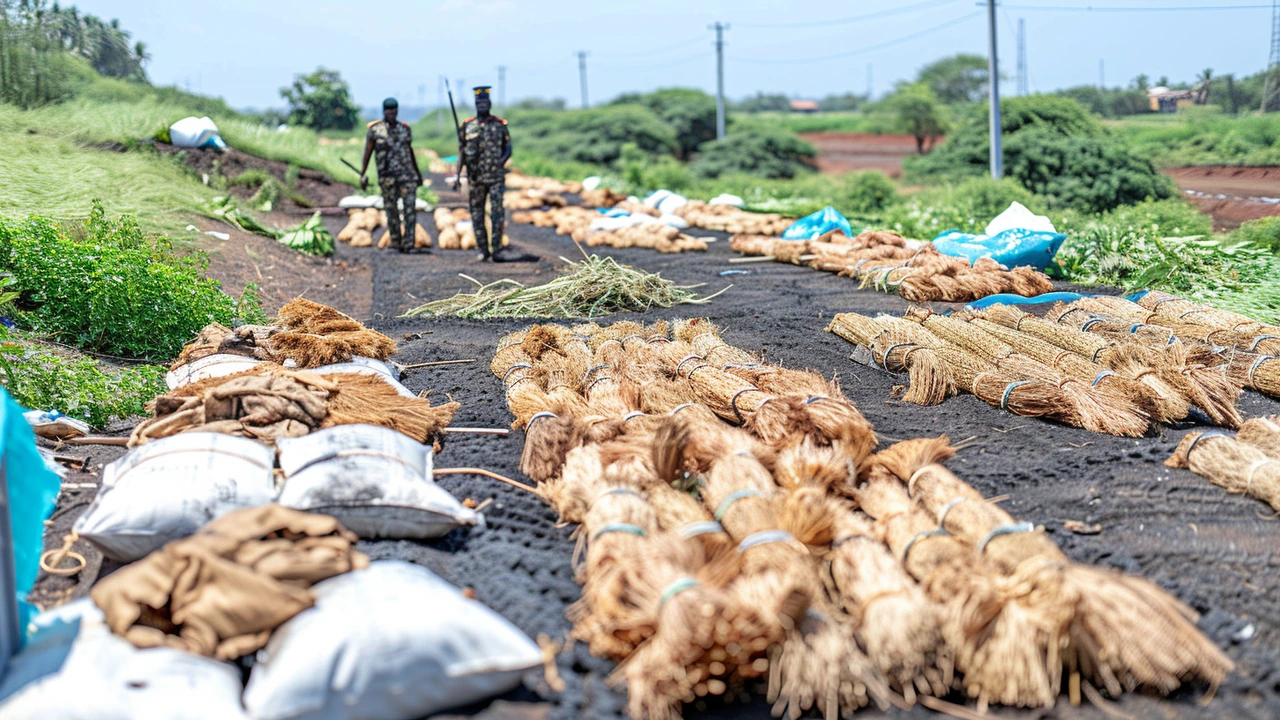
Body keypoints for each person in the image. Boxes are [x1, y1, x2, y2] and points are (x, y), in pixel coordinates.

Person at [360, 97, 425, 253]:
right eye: (389, 110)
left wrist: (417, 174)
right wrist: (363, 174)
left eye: (394, 110)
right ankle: (396, 243)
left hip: (407, 176)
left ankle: (409, 244)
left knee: (410, 211)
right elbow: (368, 152)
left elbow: (410, 152)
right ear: (384, 111)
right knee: (391, 211)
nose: (391, 113)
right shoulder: (375, 130)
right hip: (387, 177)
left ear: (397, 111)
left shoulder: (404, 129)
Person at [456, 86, 511, 261]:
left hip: (495, 177)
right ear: (475, 104)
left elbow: (508, 149)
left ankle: (497, 250)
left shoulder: (499, 125)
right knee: (476, 213)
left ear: (490, 104)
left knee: (497, 213)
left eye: (485, 103)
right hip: (475, 178)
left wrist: (500, 162)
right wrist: (458, 175)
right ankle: (482, 250)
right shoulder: (467, 126)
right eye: (479, 103)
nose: (482, 106)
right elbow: (462, 152)